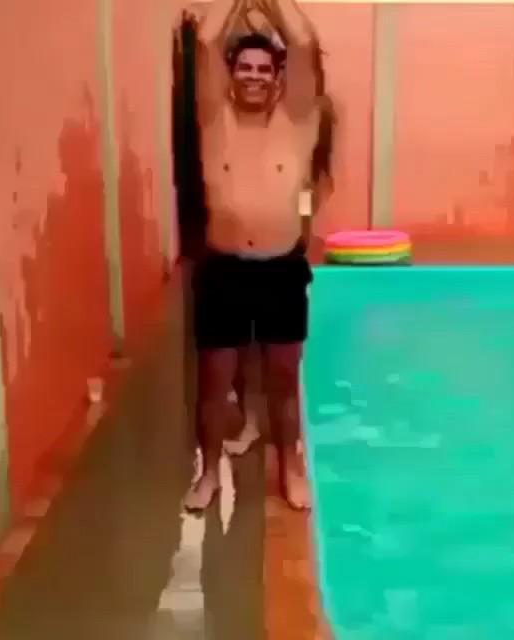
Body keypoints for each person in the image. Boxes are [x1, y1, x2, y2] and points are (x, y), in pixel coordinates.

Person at [184, 0, 321, 512]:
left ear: (278, 78)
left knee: (284, 383)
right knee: (213, 383)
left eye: (265, 69)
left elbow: (302, 41)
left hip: (281, 272)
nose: (255, 77)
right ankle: (209, 472)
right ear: (231, 74)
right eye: (245, 67)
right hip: (223, 272)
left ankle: (290, 467)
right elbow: (205, 41)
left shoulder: (297, 121)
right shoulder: (214, 120)